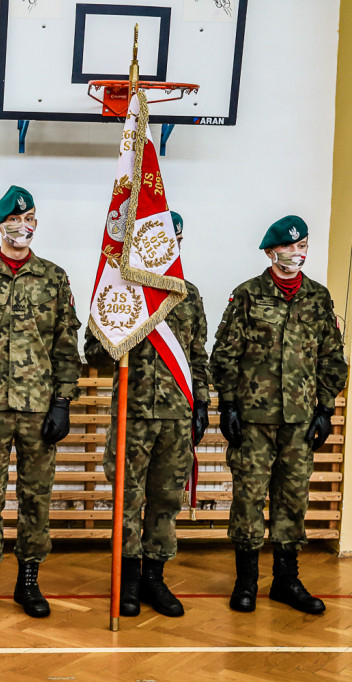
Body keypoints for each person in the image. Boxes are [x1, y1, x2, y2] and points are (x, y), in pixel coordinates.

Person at [0, 185, 80, 618]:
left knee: (35, 496)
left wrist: (62, 403)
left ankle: (29, 580)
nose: (22, 227)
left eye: (30, 220)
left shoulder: (55, 278)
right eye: (14, 221)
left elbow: (66, 346)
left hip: (40, 410)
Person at [210, 215, 347, 614]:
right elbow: (226, 355)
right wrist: (229, 405)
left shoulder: (319, 299)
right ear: (271, 252)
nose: (298, 252)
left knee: (292, 500)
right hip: (253, 421)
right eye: (289, 247)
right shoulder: (248, 295)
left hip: (300, 420)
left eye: (303, 245)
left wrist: (325, 407)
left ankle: (287, 581)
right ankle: (247, 582)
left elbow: (332, 359)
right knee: (249, 499)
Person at [83, 211, 209, 618]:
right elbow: (94, 353)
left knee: (165, 501)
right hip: (132, 416)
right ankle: (128, 580)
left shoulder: (189, 295)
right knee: (126, 500)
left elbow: (199, 358)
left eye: (174, 242)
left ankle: (154, 577)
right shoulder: (120, 291)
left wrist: (202, 402)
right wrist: (117, 321)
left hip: (176, 417)